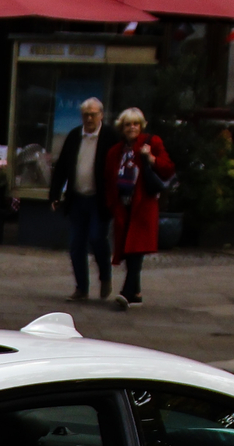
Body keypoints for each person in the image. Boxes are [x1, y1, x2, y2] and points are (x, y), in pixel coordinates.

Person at [100, 107, 172, 311]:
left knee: (136, 248)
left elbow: (168, 167)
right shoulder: (116, 151)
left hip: (143, 205)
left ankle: (126, 292)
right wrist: (112, 203)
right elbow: (108, 178)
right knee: (128, 249)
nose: (132, 128)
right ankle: (136, 293)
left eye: (136, 124)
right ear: (121, 128)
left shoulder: (151, 143)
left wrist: (151, 159)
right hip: (123, 207)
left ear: (141, 126)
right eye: (128, 124)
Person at [48, 98, 111, 302]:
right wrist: (54, 194)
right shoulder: (75, 136)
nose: (89, 118)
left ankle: (105, 276)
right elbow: (62, 167)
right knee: (76, 245)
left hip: (98, 200)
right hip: (77, 198)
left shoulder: (109, 136)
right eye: (86, 115)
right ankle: (81, 288)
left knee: (97, 238)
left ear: (101, 115)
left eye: (93, 114)